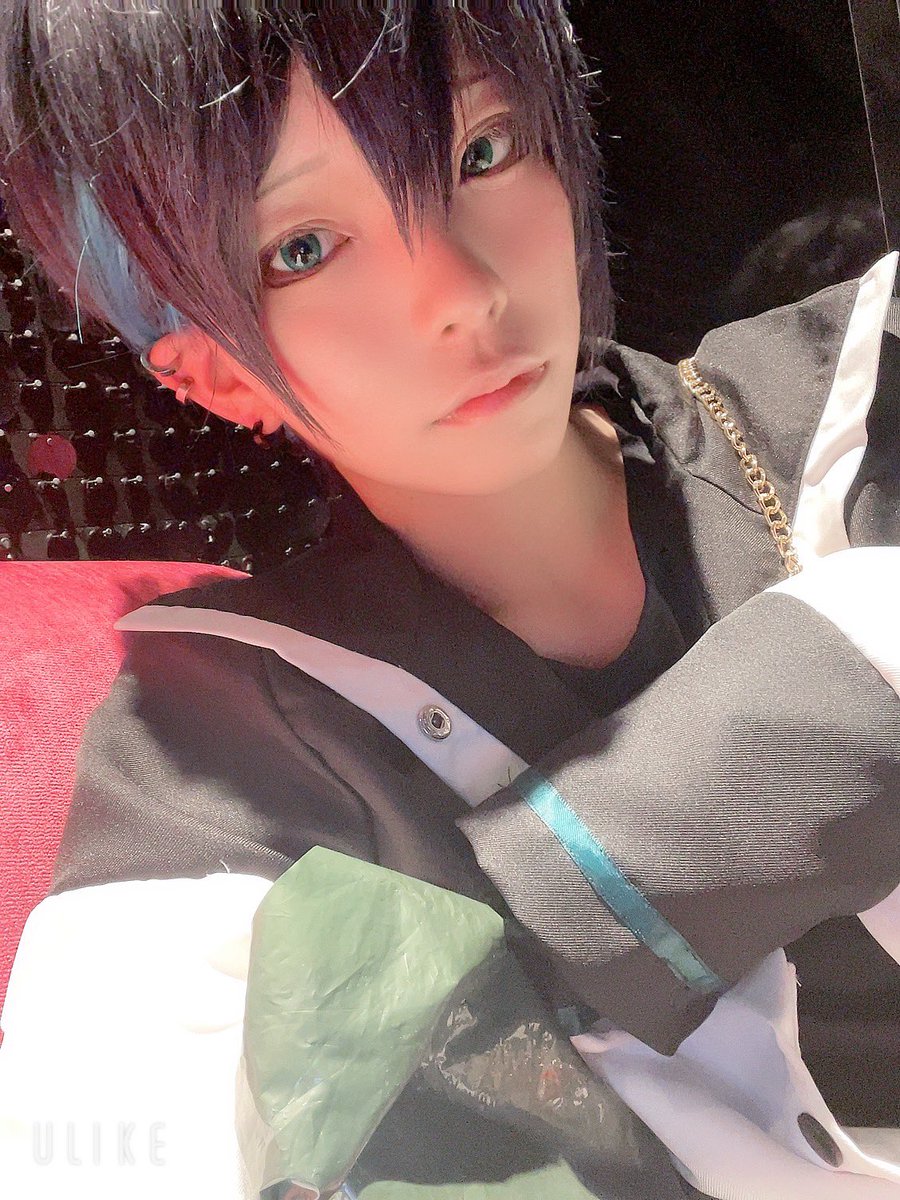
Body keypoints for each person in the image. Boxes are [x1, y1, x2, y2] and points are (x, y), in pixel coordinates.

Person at [0, 3, 899, 1197]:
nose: (461, 291)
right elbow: (100, 1142)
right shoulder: (221, 754)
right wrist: (837, 684)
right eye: (304, 247)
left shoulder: (858, 400)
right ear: (211, 374)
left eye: (482, 150)